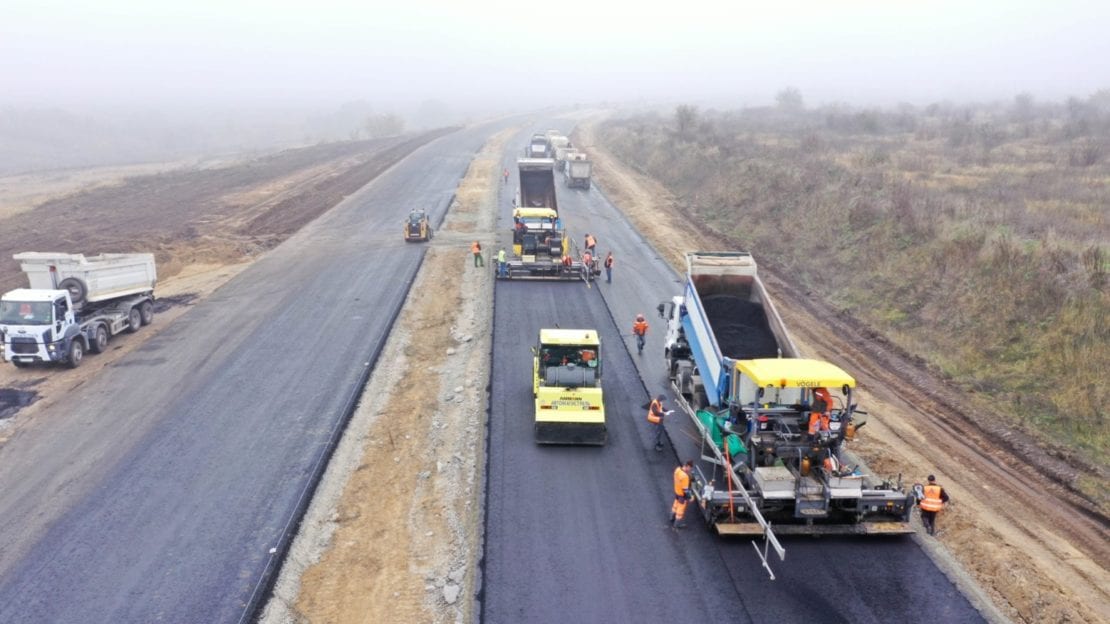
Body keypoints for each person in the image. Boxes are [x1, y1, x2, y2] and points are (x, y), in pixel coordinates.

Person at [670, 461, 694, 529]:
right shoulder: (685, 477)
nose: (690, 470)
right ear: (688, 466)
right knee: (680, 511)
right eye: (690, 468)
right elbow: (685, 490)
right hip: (682, 496)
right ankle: (676, 525)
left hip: (677, 492)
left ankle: (671, 518)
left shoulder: (677, 470)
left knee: (675, 506)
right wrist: (690, 497)